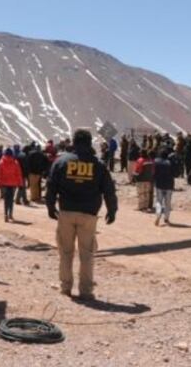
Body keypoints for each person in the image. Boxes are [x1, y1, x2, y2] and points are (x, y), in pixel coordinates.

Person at [45, 128, 117, 301]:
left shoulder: (62, 162)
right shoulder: (98, 165)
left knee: (66, 252)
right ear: (89, 142)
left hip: (66, 212)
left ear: (74, 142)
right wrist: (112, 210)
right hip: (89, 214)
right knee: (87, 253)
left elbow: (51, 186)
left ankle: (66, 288)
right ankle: (85, 290)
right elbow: (108, 189)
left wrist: (50, 206)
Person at [0, 147, 24, 222]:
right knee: (11, 200)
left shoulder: (1, 162)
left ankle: (5, 214)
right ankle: (10, 214)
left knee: (6, 200)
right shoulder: (15, 162)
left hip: (4, 184)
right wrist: (20, 184)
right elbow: (19, 174)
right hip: (13, 184)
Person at [152, 147, 175, 225]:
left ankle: (158, 214)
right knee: (167, 202)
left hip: (159, 184)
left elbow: (153, 173)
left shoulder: (156, 161)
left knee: (159, 201)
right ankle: (166, 218)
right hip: (169, 185)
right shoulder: (170, 162)